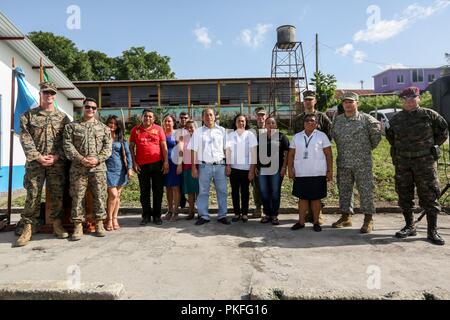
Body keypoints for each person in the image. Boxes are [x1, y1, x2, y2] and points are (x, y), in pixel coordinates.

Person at [386, 87, 448, 245]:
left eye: (413, 98)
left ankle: (432, 230)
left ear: (418, 98)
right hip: (403, 163)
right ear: (402, 101)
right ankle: (409, 226)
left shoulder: (429, 115)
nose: (409, 101)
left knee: (430, 195)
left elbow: (443, 132)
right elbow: (391, 137)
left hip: (425, 162)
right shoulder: (395, 119)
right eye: (406, 99)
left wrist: (432, 146)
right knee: (404, 194)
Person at [14, 82, 71, 247]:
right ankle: (28, 226)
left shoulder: (63, 118)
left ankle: (57, 224)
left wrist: (57, 156)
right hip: (35, 164)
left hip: (56, 163)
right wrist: (38, 157)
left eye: (51, 93)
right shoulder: (28, 116)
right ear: (41, 94)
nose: (49, 96)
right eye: (46, 92)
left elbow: (66, 141)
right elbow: (25, 139)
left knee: (57, 195)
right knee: (33, 195)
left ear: (55, 96)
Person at [331, 92, 381, 234]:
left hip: (362, 163)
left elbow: (376, 138)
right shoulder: (337, 120)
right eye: (345, 102)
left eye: (351, 102)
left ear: (357, 103)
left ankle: (368, 219)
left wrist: (363, 150)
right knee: (344, 190)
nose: (348, 104)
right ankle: (346, 217)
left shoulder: (367, 120)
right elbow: (334, 136)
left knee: (365, 190)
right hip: (344, 162)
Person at [63, 98, 112, 241]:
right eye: (87, 107)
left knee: (100, 196)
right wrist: (81, 159)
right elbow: (67, 145)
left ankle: (99, 223)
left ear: (96, 110)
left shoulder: (104, 128)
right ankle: (78, 225)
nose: (90, 109)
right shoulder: (71, 127)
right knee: (77, 196)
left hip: (98, 168)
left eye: (93, 108)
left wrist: (97, 159)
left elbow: (107, 148)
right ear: (82, 108)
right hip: (79, 168)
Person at [292, 90, 332, 225]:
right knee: (303, 193)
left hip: (318, 160)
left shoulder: (322, 117)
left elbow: (329, 135)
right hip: (302, 163)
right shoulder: (298, 119)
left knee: (317, 193)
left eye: (311, 99)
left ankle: (318, 215)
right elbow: (295, 139)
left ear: (315, 101)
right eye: (306, 99)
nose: (308, 102)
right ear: (303, 102)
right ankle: (306, 216)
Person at [188, 108, 230, 226]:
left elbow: (227, 149)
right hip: (204, 166)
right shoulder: (198, 132)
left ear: (214, 116)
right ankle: (204, 215)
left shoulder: (222, 131)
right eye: (206, 115)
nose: (209, 117)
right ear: (202, 118)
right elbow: (193, 151)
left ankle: (222, 215)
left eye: (211, 115)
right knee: (203, 192)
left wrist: (228, 165)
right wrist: (193, 167)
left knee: (222, 191)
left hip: (220, 166)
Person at [129, 110, 169, 226]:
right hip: (142, 166)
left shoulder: (159, 129)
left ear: (154, 118)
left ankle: (157, 216)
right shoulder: (135, 130)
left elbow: (163, 146)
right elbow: (131, 147)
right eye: (145, 116)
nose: (147, 118)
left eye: (150, 116)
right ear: (142, 117)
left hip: (157, 164)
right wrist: (134, 162)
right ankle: (146, 216)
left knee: (158, 191)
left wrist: (166, 161)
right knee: (144, 192)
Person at [257, 117, 290, 225]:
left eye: (273, 123)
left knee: (275, 192)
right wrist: (256, 167)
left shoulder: (281, 136)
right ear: (265, 125)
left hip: (276, 169)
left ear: (276, 125)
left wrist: (284, 167)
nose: (270, 125)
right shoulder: (260, 137)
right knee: (264, 192)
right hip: (263, 169)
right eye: (268, 123)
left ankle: (274, 215)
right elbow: (255, 153)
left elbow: (287, 154)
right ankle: (267, 214)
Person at [226, 114, 258, 223]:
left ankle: (244, 214)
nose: (241, 123)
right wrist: (228, 166)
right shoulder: (230, 135)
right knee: (234, 192)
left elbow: (254, 154)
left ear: (246, 122)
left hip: (246, 169)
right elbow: (228, 152)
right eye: (239, 121)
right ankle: (236, 213)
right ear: (235, 123)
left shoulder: (250, 135)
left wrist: (251, 170)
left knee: (245, 192)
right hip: (234, 169)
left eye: (243, 121)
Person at [104, 115, 133, 231]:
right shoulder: (101, 137)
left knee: (117, 196)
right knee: (113, 195)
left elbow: (128, 154)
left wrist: (130, 168)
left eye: (115, 124)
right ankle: (109, 219)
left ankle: (114, 218)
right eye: (110, 123)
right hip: (107, 170)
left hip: (121, 170)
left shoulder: (121, 140)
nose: (112, 125)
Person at [162, 115, 182, 222]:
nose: (167, 123)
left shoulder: (177, 133)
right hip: (165, 165)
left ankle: (176, 212)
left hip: (174, 164)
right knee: (168, 188)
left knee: (175, 188)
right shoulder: (161, 133)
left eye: (169, 121)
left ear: (173, 123)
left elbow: (181, 149)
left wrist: (179, 164)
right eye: (165, 121)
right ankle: (169, 210)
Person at [179, 120, 199, 220]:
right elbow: (180, 152)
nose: (189, 129)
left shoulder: (200, 139)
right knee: (190, 192)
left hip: (199, 168)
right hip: (187, 168)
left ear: (196, 128)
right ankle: (191, 212)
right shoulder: (183, 139)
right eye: (187, 128)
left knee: (200, 192)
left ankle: (201, 212)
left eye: (191, 127)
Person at [250, 107, 267, 219]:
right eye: (258, 115)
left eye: (263, 115)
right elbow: (251, 150)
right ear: (256, 117)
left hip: (270, 165)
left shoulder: (271, 130)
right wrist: (254, 165)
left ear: (266, 116)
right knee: (256, 187)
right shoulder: (252, 132)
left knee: (267, 187)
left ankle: (267, 209)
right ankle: (258, 208)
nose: (261, 117)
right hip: (257, 165)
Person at [178, 112, 190, 209]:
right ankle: (181, 203)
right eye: (181, 118)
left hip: (189, 162)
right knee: (179, 183)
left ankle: (192, 205)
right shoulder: (176, 130)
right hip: (177, 161)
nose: (183, 119)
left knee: (191, 184)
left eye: (185, 118)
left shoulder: (192, 129)